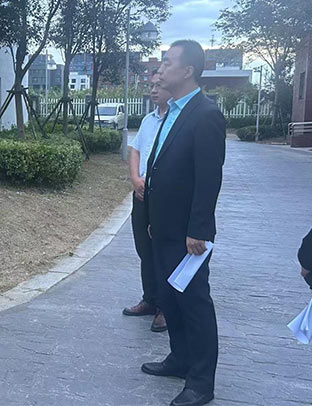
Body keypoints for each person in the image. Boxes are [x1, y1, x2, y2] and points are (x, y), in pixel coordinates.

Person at [140, 40, 225, 406]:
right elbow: (159, 167)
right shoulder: (171, 110)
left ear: (188, 70)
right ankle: (180, 358)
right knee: (169, 298)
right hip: (163, 227)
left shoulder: (205, 114)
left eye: (168, 63)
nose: (161, 69)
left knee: (194, 303)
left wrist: (199, 230)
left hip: (188, 234)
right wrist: (152, 218)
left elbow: (209, 178)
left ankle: (202, 381)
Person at [123, 70, 170, 333]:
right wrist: (135, 179)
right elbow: (135, 150)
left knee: (163, 251)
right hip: (142, 194)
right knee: (144, 249)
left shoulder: (177, 120)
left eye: (159, 85)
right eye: (151, 86)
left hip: (164, 197)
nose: (153, 90)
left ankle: (166, 307)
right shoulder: (148, 120)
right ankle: (150, 299)